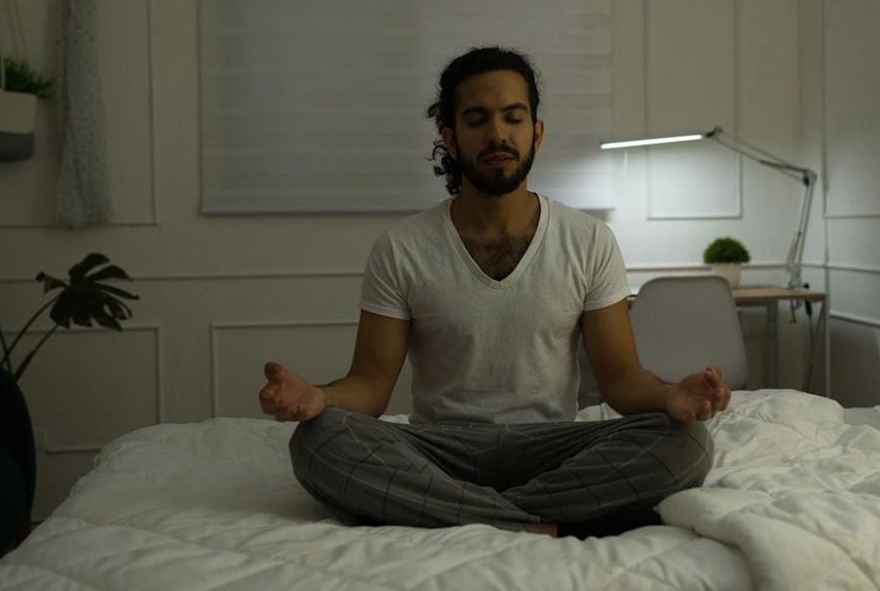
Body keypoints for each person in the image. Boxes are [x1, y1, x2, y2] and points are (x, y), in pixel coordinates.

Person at [259, 46, 731, 537]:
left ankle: (454, 512)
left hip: (551, 447)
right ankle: (537, 522)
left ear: (536, 133)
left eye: (513, 117)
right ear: (451, 138)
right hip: (440, 449)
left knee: (687, 443)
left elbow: (621, 378)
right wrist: (317, 397)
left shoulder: (588, 240)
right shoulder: (402, 246)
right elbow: (371, 387)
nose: (498, 134)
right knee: (319, 440)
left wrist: (669, 395)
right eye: (477, 119)